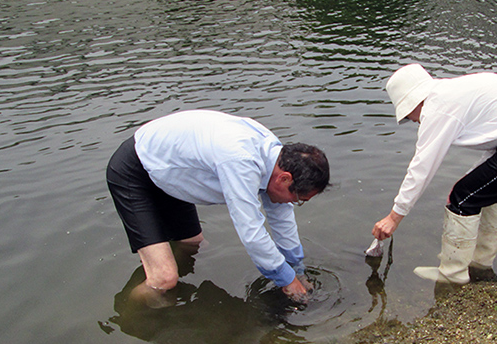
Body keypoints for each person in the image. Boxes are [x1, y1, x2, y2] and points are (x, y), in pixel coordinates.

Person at [372, 64, 497, 284]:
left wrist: (394, 217)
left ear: (415, 101)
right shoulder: (454, 91)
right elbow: (496, 149)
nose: (413, 121)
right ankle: (479, 264)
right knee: (485, 191)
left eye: (408, 115)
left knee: (462, 197)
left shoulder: (437, 108)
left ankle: (452, 274)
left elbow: (421, 168)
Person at [107, 109, 330, 303]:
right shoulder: (240, 161)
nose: (294, 204)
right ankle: (129, 315)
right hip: (137, 171)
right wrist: (286, 279)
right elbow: (251, 232)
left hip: (175, 172)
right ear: (284, 179)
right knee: (164, 279)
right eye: (298, 199)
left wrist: (296, 268)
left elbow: (282, 216)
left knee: (193, 245)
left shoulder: (277, 160)